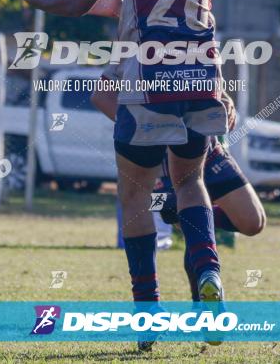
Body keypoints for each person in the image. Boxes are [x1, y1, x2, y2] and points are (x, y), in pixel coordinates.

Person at [10, 0, 228, 348]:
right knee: (190, 183)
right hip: (200, 79)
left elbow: (77, 2)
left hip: (145, 83)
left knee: (135, 196)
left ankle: (147, 313)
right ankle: (209, 273)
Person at [92, 79, 266, 301]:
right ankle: (200, 304)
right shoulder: (133, 47)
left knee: (254, 222)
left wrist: (225, 98)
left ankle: (191, 219)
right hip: (160, 164)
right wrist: (141, 127)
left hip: (210, 151)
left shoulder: (198, 44)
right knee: (190, 219)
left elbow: (212, 80)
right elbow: (101, 95)